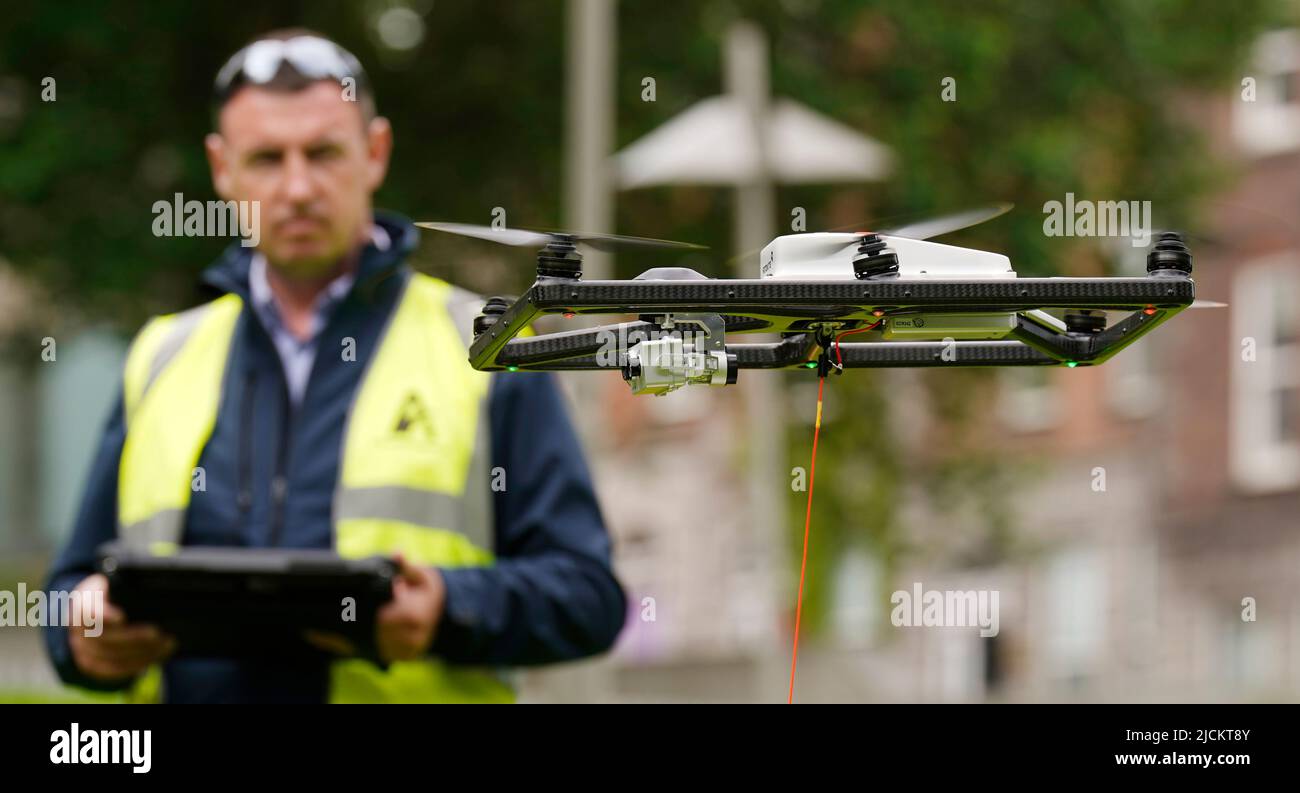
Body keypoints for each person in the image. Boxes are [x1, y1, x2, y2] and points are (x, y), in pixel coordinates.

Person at [42, 30, 626, 703]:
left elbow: (589, 596)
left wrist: (449, 607)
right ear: (221, 169)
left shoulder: (488, 347)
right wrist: (84, 634)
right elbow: (68, 594)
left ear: (375, 152)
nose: (297, 188)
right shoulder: (160, 357)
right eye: (267, 159)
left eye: (322, 153)